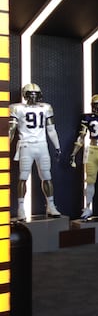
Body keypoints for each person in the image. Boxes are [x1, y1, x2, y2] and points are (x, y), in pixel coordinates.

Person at [9, 83, 62, 221]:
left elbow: (51, 129)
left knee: (47, 176)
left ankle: (51, 205)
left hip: (42, 145)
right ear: (25, 96)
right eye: (30, 94)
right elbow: (12, 129)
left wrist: (57, 146)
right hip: (26, 145)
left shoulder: (45, 107)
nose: (33, 97)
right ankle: (21, 208)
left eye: (35, 94)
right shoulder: (17, 108)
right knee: (23, 177)